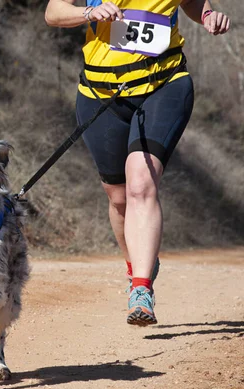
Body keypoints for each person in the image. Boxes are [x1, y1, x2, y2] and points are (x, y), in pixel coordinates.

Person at [44, 0, 230, 326]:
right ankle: (136, 267)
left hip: (164, 84)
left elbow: (193, 2)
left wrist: (207, 15)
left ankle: (142, 289)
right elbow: (53, 12)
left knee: (141, 182)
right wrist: (88, 13)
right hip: (101, 94)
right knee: (118, 197)